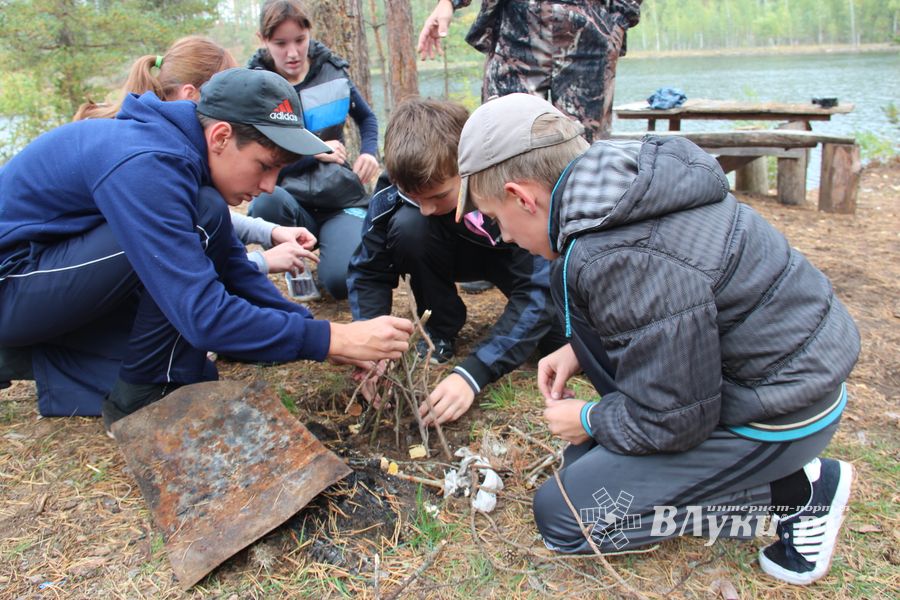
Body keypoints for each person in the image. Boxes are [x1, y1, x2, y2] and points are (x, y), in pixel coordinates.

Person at [455, 93, 860, 585]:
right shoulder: (614, 184)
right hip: (777, 376)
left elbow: (672, 417)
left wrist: (589, 416)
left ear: (523, 196)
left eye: (495, 221)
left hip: (781, 412)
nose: (505, 238)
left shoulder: (619, 253)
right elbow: (666, 318)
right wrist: (578, 351)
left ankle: (800, 491)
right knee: (582, 460)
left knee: (569, 517)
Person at [0, 67, 413, 424]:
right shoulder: (148, 163)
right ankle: (135, 395)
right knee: (201, 222)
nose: (268, 186)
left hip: (49, 285)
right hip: (14, 283)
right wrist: (331, 340)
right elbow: (203, 314)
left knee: (190, 369)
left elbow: (235, 273)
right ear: (219, 136)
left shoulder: (183, 160)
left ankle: (28, 357)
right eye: (265, 166)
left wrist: (328, 336)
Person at [347, 98, 564, 426]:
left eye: (437, 196)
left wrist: (473, 373)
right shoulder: (394, 195)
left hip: (506, 255)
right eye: (413, 197)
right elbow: (369, 272)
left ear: (467, 167)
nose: (426, 208)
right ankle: (441, 327)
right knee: (410, 226)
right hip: (437, 251)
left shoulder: (505, 192)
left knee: (559, 338)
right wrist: (368, 346)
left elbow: (538, 290)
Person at [74, 36, 320, 277]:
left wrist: (269, 232)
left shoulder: (165, 138)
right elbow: (172, 253)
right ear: (191, 95)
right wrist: (259, 261)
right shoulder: (152, 155)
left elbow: (185, 212)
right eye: (218, 97)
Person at [246, 0, 379, 300]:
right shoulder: (254, 86)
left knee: (341, 284)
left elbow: (367, 118)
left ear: (309, 33)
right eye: (280, 43)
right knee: (266, 203)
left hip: (338, 198)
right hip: (288, 201)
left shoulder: (332, 72)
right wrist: (310, 153)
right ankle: (296, 265)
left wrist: (369, 152)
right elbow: (255, 158)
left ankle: (333, 257)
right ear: (263, 40)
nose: (292, 53)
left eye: (299, 40)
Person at [417, 0, 642, 143]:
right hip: (517, 28)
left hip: (591, 30)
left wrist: (621, 19)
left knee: (585, 152)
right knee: (506, 144)